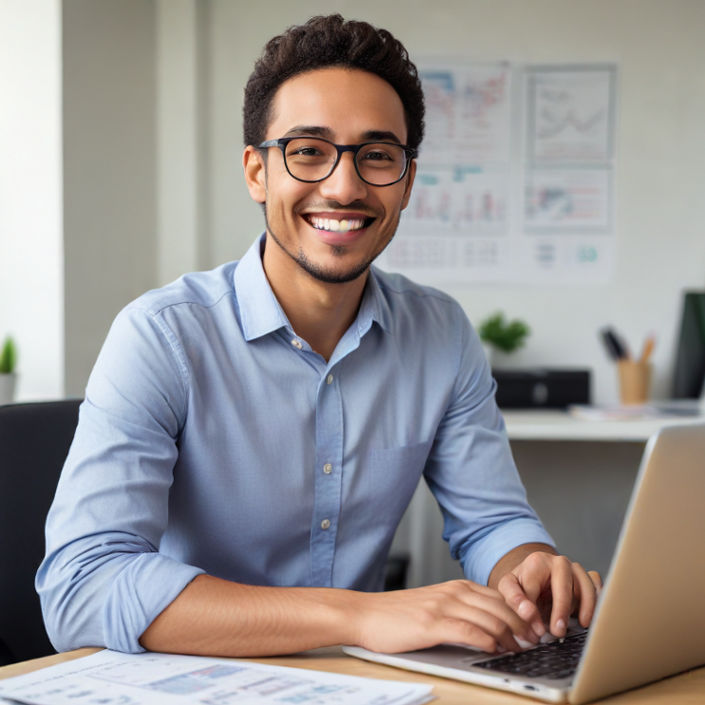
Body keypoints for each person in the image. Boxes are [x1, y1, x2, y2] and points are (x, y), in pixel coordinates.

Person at [37, 14, 601, 658]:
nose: (344, 186)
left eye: (378, 156)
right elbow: (81, 589)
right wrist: (355, 617)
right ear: (257, 172)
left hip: (358, 686)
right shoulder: (161, 337)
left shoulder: (440, 332)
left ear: (407, 181)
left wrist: (527, 566)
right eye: (308, 151)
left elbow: (494, 521)